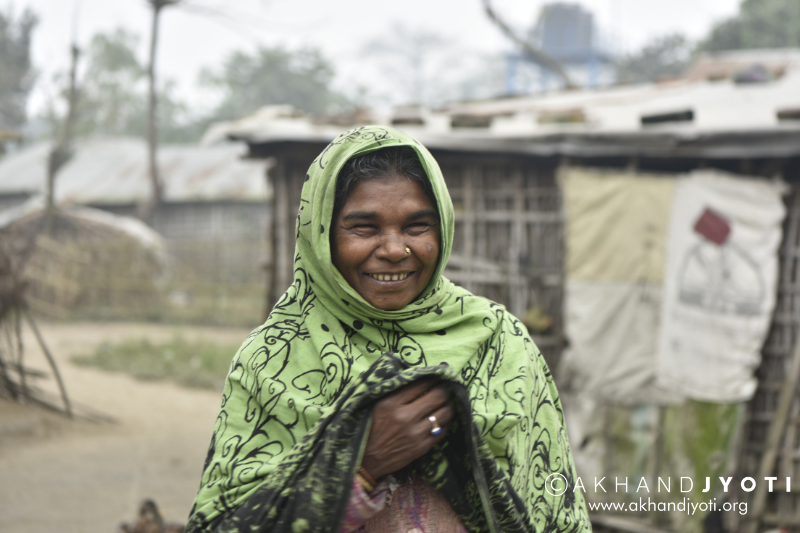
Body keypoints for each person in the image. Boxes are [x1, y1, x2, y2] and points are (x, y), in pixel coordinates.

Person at [186, 126, 590, 533]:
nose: (395, 250)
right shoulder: (272, 357)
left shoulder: (499, 340)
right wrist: (364, 462)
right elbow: (224, 522)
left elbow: (554, 509)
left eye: (417, 226)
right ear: (323, 235)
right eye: (364, 228)